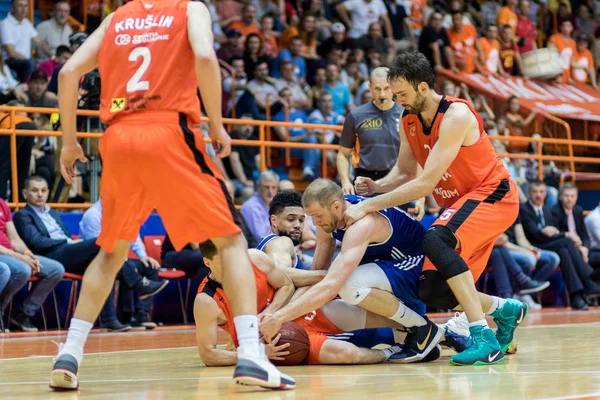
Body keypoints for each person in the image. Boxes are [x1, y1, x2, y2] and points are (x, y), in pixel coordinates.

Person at [50, 0, 293, 391]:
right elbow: (204, 56)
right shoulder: (188, 9)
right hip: (170, 130)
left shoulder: (116, 18)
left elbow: (67, 72)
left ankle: (70, 353)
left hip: (118, 137)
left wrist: (68, 142)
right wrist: (216, 124)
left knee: (111, 252)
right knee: (231, 240)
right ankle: (250, 354)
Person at [345, 52, 526, 366]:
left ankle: (484, 338)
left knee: (434, 239)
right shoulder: (408, 119)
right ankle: (505, 310)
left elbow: (425, 183)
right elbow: (404, 171)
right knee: (432, 291)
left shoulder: (456, 115)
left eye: (402, 94)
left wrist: (368, 207)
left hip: (492, 196)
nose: (396, 100)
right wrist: (376, 186)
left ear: (423, 87)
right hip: (461, 206)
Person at [260, 179, 442, 364]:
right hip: (390, 274)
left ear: (336, 207)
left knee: (348, 284)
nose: (314, 223)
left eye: (316, 216)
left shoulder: (361, 225)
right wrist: (284, 315)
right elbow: (317, 277)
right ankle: (444, 333)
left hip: (421, 269)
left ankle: (421, 327)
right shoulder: (330, 217)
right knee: (418, 348)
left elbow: (331, 285)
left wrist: (278, 317)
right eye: (310, 217)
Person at [195, 241, 410, 366]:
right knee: (349, 355)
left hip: (295, 311)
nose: (235, 265)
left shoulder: (254, 259)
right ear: (207, 262)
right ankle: (395, 352)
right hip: (276, 344)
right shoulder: (206, 301)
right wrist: (257, 354)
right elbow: (208, 355)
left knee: (389, 318)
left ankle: (426, 330)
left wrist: (272, 313)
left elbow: (287, 286)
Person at [337, 67, 403, 194]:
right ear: (370, 86)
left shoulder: (406, 116)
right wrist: (345, 181)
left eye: (387, 88)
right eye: (377, 89)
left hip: (396, 181)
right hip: (364, 181)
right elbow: (343, 154)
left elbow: (416, 157)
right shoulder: (356, 116)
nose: (382, 94)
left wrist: (420, 198)